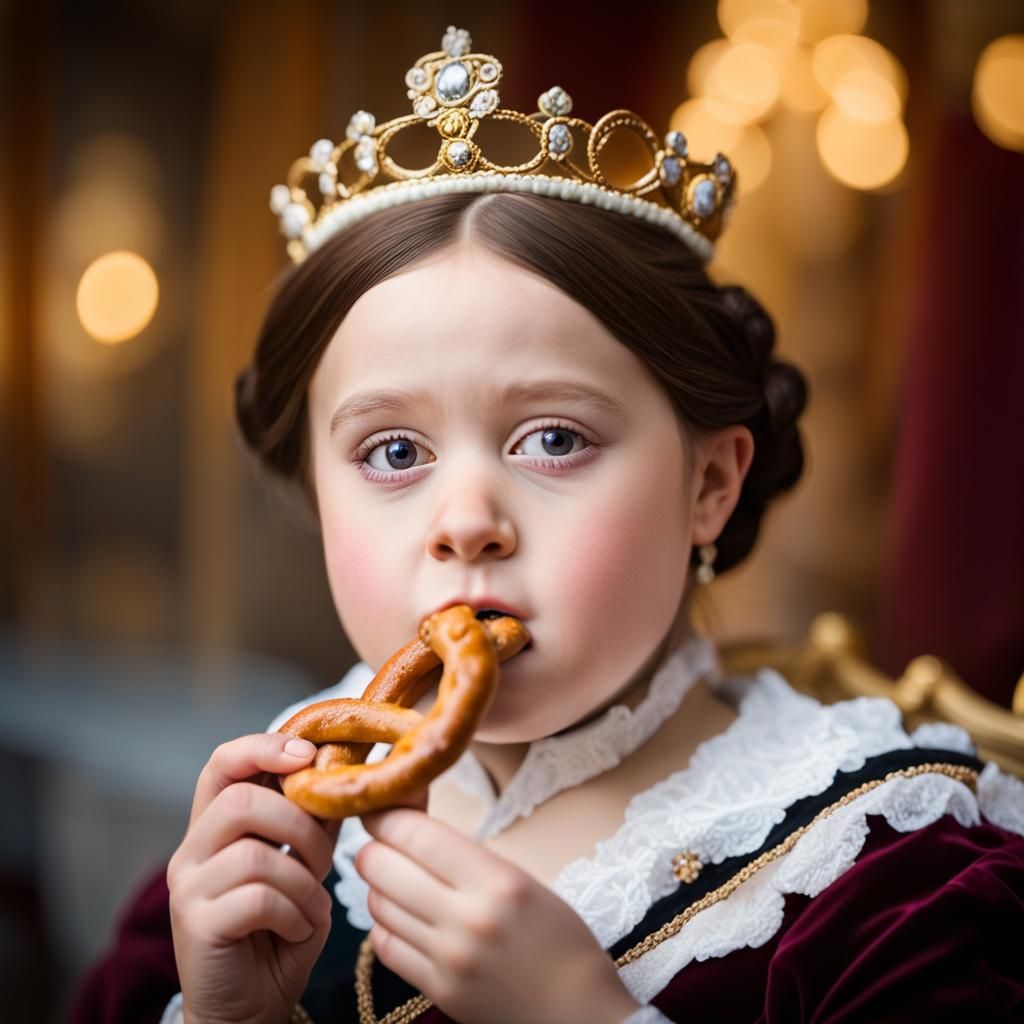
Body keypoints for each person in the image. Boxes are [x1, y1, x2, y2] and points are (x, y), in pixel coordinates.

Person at [72, 25, 1024, 1024]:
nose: (466, 523)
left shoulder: (893, 883)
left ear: (708, 483)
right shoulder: (252, 851)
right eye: (392, 452)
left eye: (553, 439)